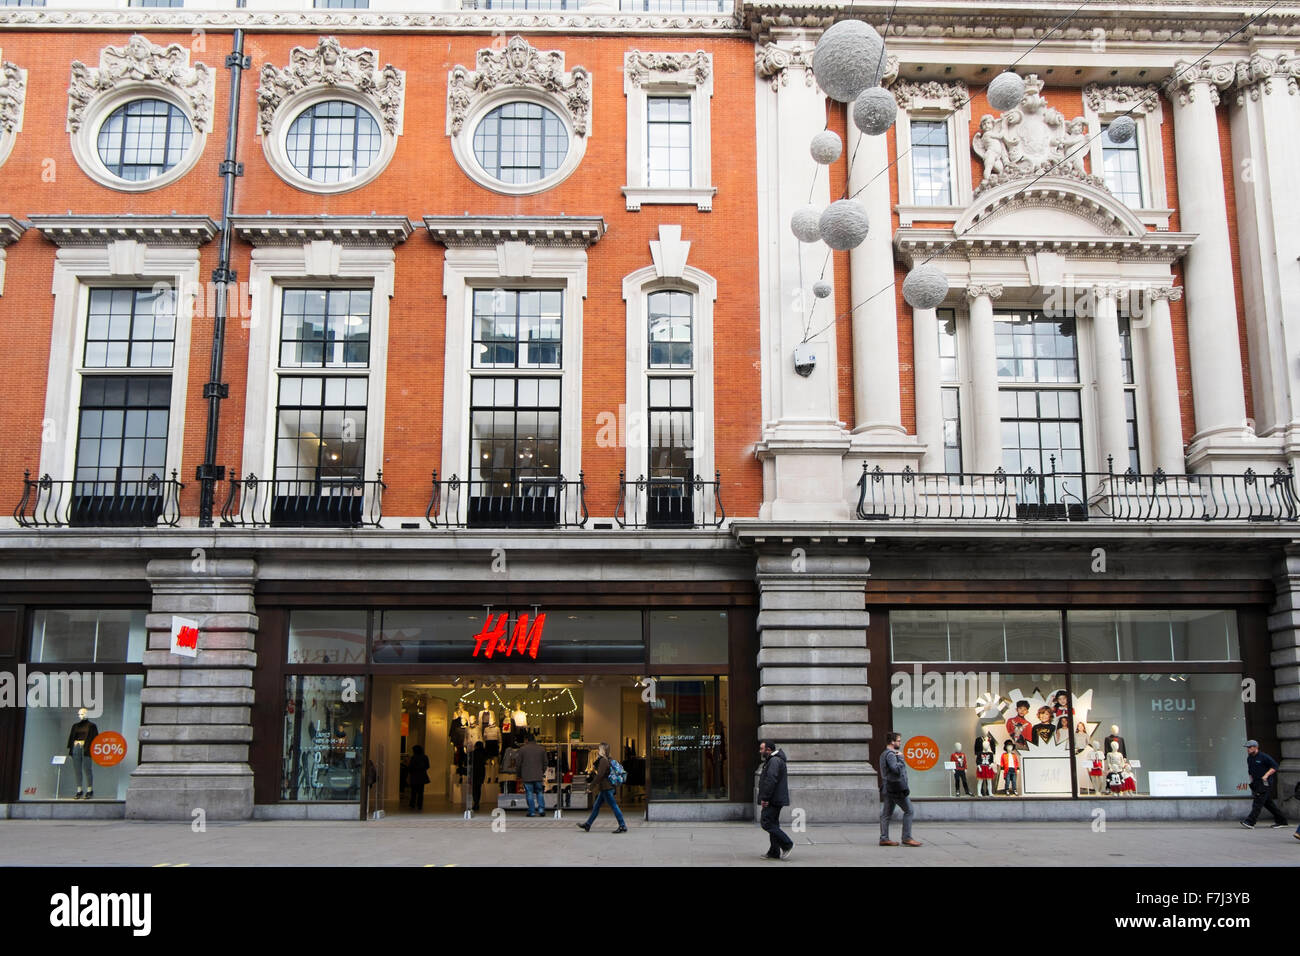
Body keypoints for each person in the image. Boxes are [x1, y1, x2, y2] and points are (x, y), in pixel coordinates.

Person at [879, 731, 921, 847]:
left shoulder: (883, 754)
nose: (900, 743)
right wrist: (901, 759)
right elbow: (895, 770)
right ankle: (907, 837)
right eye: (898, 740)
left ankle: (884, 838)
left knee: (886, 814)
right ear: (892, 742)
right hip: (896, 789)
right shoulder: (892, 755)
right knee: (909, 811)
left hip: (888, 788)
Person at [577, 741, 627, 833]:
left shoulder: (604, 760)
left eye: (599, 749)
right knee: (596, 806)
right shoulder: (608, 759)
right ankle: (588, 825)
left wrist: (590, 787)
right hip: (605, 788)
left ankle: (622, 825)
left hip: (606, 788)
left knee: (614, 806)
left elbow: (599, 775)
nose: (598, 750)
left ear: (603, 750)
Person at [757, 739, 793, 860]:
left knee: (766, 822)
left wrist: (765, 798)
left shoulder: (774, 761)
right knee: (773, 823)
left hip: (773, 799)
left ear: (768, 750)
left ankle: (787, 844)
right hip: (775, 798)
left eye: (762, 749)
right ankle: (774, 851)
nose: (760, 751)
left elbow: (771, 780)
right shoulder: (773, 760)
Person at [1241, 739, 1288, 830]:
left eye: (1250, 747)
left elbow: (1275, 766)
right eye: (1247, 747)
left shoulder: (1264, 757)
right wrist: (1252, 782)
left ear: (1256, 747)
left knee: (1257, 802)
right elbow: (1250, 771)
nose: (1248, 749)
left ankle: (1250, 822)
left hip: (1265, 783)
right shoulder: (1249, 758)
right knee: (1268, 803)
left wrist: (1266, 775)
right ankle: (1282, 821)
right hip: (1256, 783)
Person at [517, 731, 547, 817]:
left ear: (526, 740)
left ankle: (532, 811)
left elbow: (518, 764)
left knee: (529, 793)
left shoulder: (522, 749)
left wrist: (519, 774)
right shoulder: (541, 749)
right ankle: (541, 809)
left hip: (527, 775)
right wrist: (542, 771)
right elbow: (545, 762)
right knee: (539, 792)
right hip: (538, 775)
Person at [407, 744, 430, 811]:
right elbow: (428, 766)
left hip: (414, 776)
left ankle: (412, 804)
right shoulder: (425, 757)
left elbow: (410, 767)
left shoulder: (413, 757)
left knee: (413, 791)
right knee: (421, 792)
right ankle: (419, 805)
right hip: (422, 776)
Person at [471, 740, 487, 813]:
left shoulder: (473, 753)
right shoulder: (484, 753)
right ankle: (477, 802)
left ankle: (475, 802)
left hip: (474, 772)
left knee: (474, 788)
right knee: (479, 788)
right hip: (481, 772)